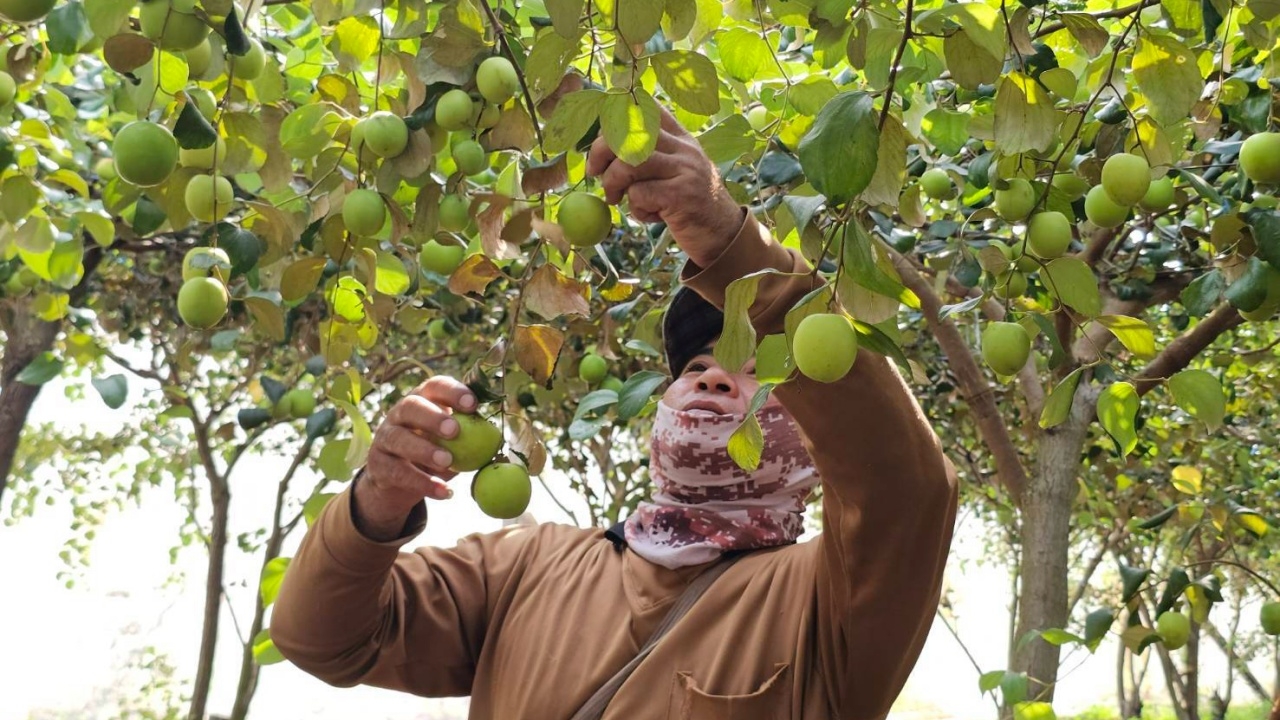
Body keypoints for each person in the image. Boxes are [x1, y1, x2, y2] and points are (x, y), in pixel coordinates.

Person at [272, 105, 959, 720]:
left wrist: (727, 240)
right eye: (696, 369)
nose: (716, 383)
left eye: (756, 374)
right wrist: (377, 501)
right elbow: (321, 640)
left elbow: (904, 488)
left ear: (817, 435)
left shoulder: (826, 606)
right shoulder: (526, 565)